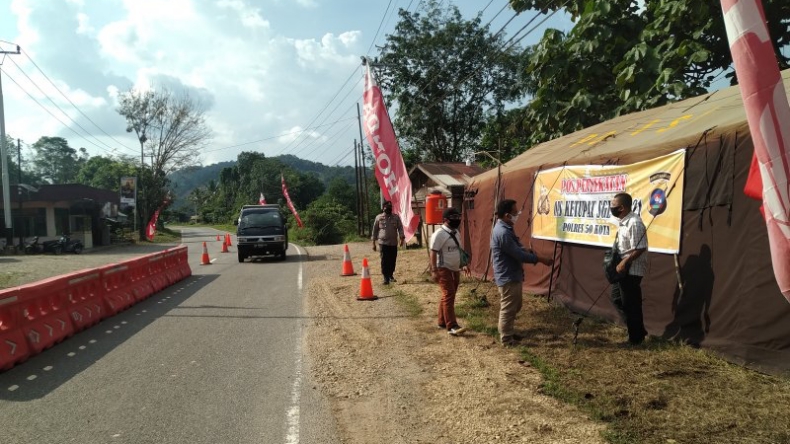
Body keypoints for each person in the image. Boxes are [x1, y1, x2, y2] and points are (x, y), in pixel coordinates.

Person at [490, 199, 553, 347]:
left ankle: (509, 331)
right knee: (508, 308)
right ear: (506, 215)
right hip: (508, 276)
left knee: (515, 306)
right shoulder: (503, 232)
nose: (517, 215)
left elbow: (517, 248)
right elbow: (518, 255)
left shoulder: (506, 228)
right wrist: (541, 259)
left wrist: (525, 249)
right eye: (514, 213)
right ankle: (506, 339)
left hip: (512, 274)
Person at [609, 192, 649, 346]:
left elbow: (640, 248)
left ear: (622, 207)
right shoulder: (624, 222)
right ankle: (638, 330)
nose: (611, 208)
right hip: (622, 269)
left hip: (632, 270)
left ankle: (636, 339)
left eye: (613, 206)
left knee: (630, 304)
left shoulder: (635, 223)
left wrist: (625, 262)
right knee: (617, 298)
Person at [429, 207, 468, 336]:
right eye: (454, 218)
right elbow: (433, 252)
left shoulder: (456, 232)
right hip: (443, 268)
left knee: (448, 295)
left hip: (455, 268)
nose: (457, 220)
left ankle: (441, 320)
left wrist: (463, 264)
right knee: (449, 294)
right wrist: (434, 270)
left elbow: (459, 250)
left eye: (458, 217)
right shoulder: (439, 234)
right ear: (446, 220)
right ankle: (452, 325)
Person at [372, 200, 405, 285]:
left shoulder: (396, 217)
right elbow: (374, 231)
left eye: (390, 207)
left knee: (392, 259)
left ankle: (391, 275)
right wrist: (373, 243)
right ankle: (385, 277)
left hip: (393, 242)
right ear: (383, 208)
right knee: (384, 260)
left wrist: (402, 238)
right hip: (383, 243)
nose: (389, 209)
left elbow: (400, 228)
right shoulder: (379, 218)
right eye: (387, 207)